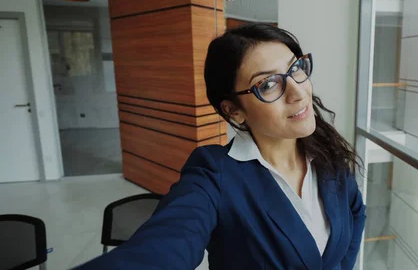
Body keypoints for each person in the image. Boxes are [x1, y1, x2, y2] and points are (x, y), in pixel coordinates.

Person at [76, 23, 366, 270]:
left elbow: (355, 211)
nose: (298, 92)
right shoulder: (214, 175)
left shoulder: (326, 151)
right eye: (267, 85)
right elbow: (165, 245)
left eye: (296, 68)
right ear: (234, 111)